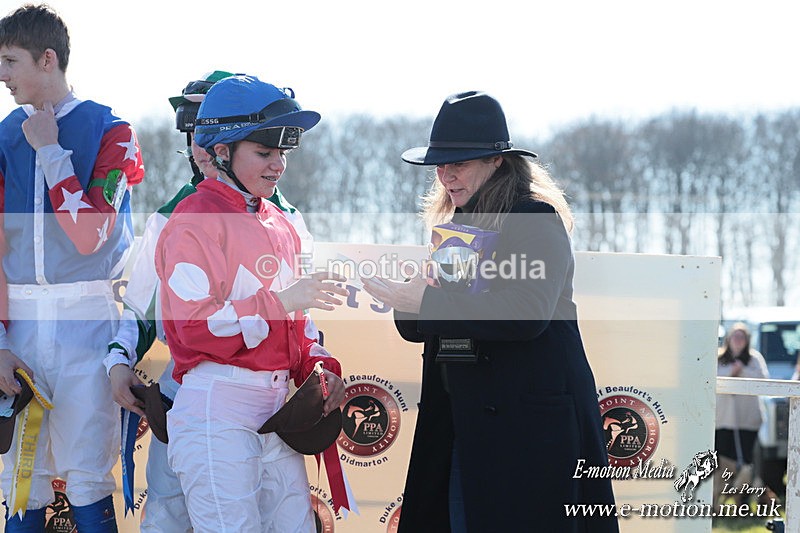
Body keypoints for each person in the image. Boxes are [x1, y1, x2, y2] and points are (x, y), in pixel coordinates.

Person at [362, 91, 618, 532]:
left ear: (497, 161)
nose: (445, 176)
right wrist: (408, 302)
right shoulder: (458, 226)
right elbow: (435, 321)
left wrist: (424, 302)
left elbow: (525, 314)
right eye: (439, 166)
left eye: (457, 163)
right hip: (462, 421)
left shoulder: (535, 217)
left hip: (527, 429)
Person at [154, 74, 347, 532]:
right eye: (264, 152)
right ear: (221, 151)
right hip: (217, 410)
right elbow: (194, 329)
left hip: (277, 410)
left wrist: (320, 368)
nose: (278, 165)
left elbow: (296, 327)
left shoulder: (280, 221)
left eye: (282, 152)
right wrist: (279, 302)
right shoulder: (192, 218)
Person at [0, 4, 144, 532]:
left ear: (47, 59)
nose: (2, 75)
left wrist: (50, 150)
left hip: (88, 321)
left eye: (10, 61)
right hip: (19, 325)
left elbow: (90, 237)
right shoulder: (3, 135)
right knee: (21, 477)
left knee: (86, 476)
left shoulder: (112, 130)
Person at [713, 322, 769, 506]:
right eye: (735, 336)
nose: (738, 340)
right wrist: (731, 371)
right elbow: (711, 378)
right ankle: (717, 500)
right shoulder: (718, 358)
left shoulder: (754, 359)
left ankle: (741, 501)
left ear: (747, 340)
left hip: (747, 421)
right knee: (722, 461)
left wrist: (742, 370)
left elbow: (763, 380)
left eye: (741, 337)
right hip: (722, 420)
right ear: (729, 339)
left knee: (745, 462)